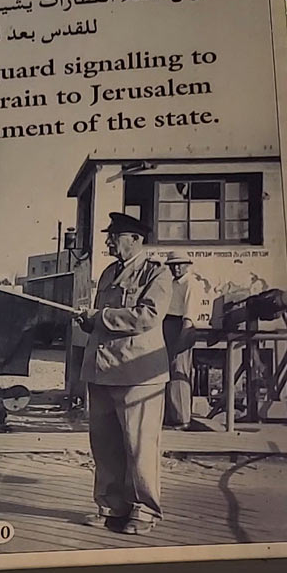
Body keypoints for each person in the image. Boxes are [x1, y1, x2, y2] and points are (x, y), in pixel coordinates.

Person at [75, 213, 172, 536]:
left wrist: (100, 317)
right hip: (102, 372)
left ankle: (144, 510)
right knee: (105, 446)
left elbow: (147, 317)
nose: (108, 242)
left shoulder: (157, 274)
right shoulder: (108, 274)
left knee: (139, 447)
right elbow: (103, 319)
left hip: (137, 374)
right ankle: (111, 506)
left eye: (114, 237)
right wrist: (90, 320)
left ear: (135, 239)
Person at [162, 251, 198, 428]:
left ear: (187, 265)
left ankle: (182, 418)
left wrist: (183, 336)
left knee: (179, 369)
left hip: (182, 327)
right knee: (166, 370)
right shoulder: (171, 283)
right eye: (172, 265)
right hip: (167, 325)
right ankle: (171, 414)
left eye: (180, 264)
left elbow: (189, 314)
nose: (176, 268)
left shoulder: (190, 283)